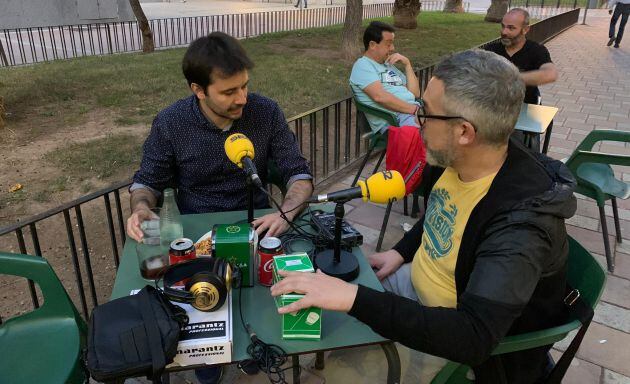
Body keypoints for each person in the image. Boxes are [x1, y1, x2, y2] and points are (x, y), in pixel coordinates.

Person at [271, 49, 577, 383]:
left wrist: (352, 298)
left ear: (464, 132)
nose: (419, 123)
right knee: (325, 321)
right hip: (414, 282)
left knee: (337, 369)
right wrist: (399, 252)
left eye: (426, 113)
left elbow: (472, 336)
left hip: (451, 335)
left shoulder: (520, 226)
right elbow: (441, 212)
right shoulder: (464, 158)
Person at [126, 32, 313, 384]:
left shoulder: (266, 112)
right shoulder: (171, 123)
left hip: (259, 227)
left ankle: (254, 349)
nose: (242, 98)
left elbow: (299, 174)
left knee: (264, 301)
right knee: (204, 304)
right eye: (229, 92)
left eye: (244, 86)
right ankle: (208, 362)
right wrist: (140, 208)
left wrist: (286, 213)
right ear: (198, 89)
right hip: (197, 233)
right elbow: (147, 182)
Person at [484, 8, 558, 151]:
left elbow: (551, 74)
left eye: (511, 28)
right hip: (493, 110)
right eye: (503, 26)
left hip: (525, 112)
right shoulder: (491, 50)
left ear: (525, 30)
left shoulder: (537, 50)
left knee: (521, 151)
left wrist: (512, 78)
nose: (504, 32)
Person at [350, 21, 421, 134]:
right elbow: (380, 97)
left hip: (412, 111)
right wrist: (415, 111)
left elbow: (415, 93)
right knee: (430, 137)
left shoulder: (387, 65)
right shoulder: (363, 66)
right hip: (395, 120)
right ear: (372, 45)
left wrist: (407, 64)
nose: (392, 48)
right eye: (388, 44)